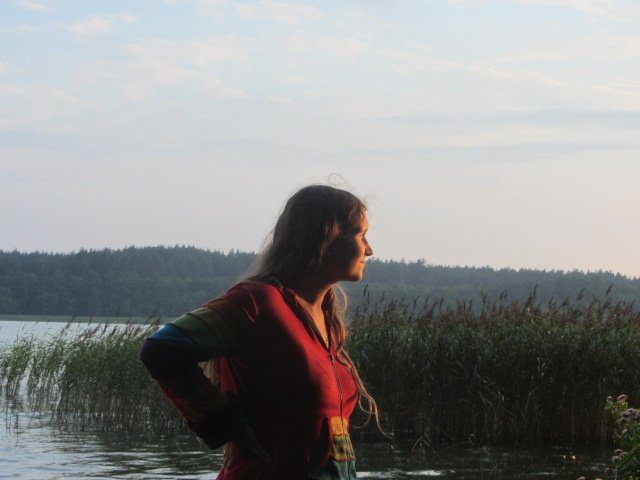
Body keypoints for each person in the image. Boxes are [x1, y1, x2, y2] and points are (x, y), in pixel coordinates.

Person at [140, 184, 379, 480]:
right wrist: (229, 428)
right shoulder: (258, 301)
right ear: (326, 236)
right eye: (360, 234)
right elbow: (162, 349)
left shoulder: (326, 321)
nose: (369, 249)